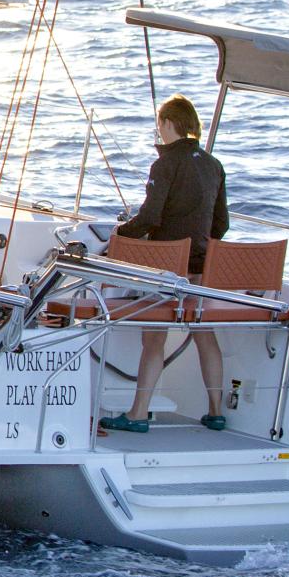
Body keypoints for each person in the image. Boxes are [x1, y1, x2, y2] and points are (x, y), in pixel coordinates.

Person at [105, 93, 232, 434]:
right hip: (199, 268)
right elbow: (221, 225)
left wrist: (121, 233)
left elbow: (150, 217)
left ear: (167, 123)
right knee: (204, 335)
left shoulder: (164, 165)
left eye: (159, 124)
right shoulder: (214, 165)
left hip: (166, 270)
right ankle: (216, 411)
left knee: (154, 340)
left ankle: (137, 414)